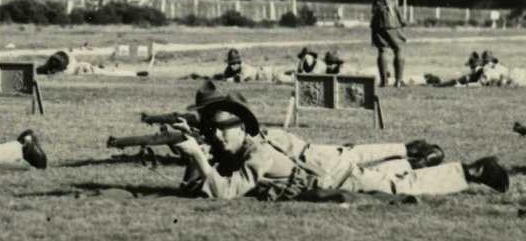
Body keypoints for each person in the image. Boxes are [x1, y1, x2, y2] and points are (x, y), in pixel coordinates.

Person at [170, 84, 507, 200]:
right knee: (384, 174)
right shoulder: (241, 147)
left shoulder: (256, 152)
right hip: (324, 174)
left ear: (242, 127)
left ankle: (474, 171)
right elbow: (194, 188)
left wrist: (197, 156)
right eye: (211, 130)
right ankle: (412, 158)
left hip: (334, 180)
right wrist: (194, 156)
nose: (216, 136)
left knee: (399, 187)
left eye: (222, 128)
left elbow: (223, 192)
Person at [371, 0, 413, 87]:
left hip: (378, 19)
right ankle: (398, 81)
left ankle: (384, 81)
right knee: (398, 48)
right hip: (392, 19)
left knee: (382, 49)